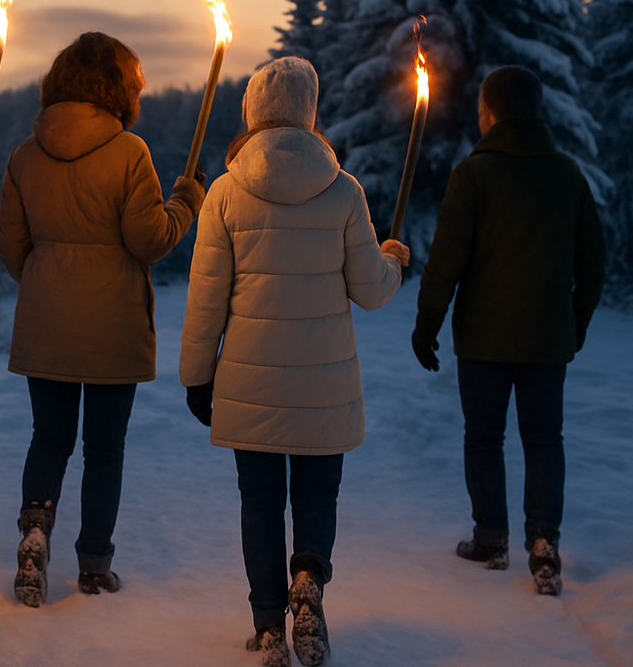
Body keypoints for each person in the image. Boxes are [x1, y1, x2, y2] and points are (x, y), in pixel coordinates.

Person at [180, 57, 409, 667]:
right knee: (316, 493)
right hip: (323, 383)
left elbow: (206, 298)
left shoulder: (225, 194)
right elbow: (371, 289)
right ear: (310, 112)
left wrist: (197, 376)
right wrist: (393, 260)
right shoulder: (343, 190)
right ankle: (308, 579)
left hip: (248, 380)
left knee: (259, 502)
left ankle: (267, 627)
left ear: (252, 112)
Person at [0, 31, 204, 606]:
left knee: (50, 437)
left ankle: (35, 533)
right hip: (112, 325)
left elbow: (11, 246)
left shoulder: (23, 155)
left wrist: (45, 288)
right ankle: (93, 566)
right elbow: (149, 238)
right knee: (104, 449)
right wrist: (186, 201)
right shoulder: (129, 152)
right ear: (117, 87)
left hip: (48, 322)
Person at [412, 65, 605, 596]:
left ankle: (491, 539)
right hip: (547, 340)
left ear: (490, 114)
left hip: (483, 341)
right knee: (545, 439)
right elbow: (594, 263)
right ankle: (544, 545)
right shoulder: (567, 175)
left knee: (484, 437)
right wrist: (574, 322)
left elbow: (446, 260)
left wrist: (427, 324)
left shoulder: (474, 175)